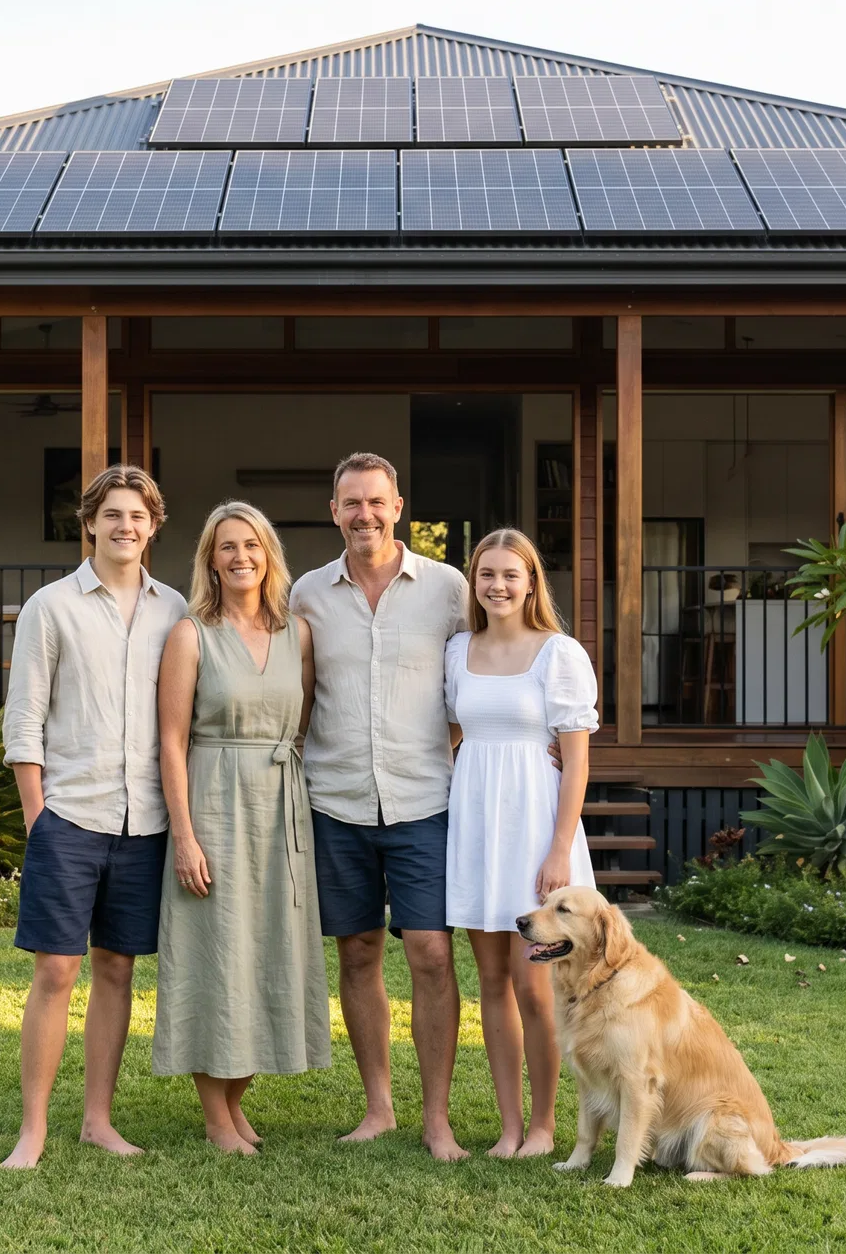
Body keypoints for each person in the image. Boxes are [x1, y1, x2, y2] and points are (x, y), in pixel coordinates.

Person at [0, 463, 188, 1170]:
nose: (125, 526)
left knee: (117, 969)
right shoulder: (52, 607)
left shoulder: (175, 610)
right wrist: (37, 818)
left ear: (154, 525)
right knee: (56, 970)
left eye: (137, 515)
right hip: (70, 817)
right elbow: (25, 720)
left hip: (146, 823)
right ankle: (34, 1129)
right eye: (112, 514)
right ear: (90, 523)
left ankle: (98, 1121)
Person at [290, 452, 472, 1161]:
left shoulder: (450, 589)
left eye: (376, 502)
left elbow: (479, 675)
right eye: (350, 503)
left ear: (399, 506)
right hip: (334, 800)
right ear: (333, 511)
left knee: (430, 953)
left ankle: (437, 1117)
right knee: (358, 951)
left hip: (424, 798)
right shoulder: (306, 593)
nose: (364, 514)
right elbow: (298, 694)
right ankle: (378, 1107)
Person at [154, 501, 330, 1154]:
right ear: (210, 560)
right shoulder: (189, 635)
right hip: (214, 802)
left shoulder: (299, 634)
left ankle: (235, 1102)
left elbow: (305, 716)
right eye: (226, 547)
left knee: (268, 953)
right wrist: (185, 836)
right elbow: (171, 741)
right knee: (213, 954)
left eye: (251, 545)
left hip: (281, 806)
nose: (240, 558)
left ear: (268, 555)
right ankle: (214, 1116)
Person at [444, 528, 598, 1159]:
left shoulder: (558, 653)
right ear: (473, 583)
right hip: (478, 822)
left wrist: (559, 848)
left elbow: (578, 761)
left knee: (533, 983)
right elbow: (454, 730)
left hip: (537, 826)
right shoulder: (459, 649)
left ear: (532, 582)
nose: (498, 585)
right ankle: (508, 1127)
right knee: (491, 980)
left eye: (511, 574)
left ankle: (542, 1127)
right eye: (486, 575)